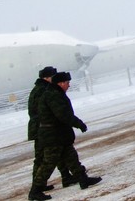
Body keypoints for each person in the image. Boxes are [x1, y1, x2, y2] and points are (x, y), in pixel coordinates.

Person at [29, 72, 101, 200]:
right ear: (60, 83)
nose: (69, 85)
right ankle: (35, 191)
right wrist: (79, 124)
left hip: (58, 134)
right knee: (48, 163)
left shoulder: (54, 93)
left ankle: (83, 179)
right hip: (53, 136)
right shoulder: (53, 96)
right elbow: (63, 115)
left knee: (72, 158)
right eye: (67, 82)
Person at [28, 66, 75, 193]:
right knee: (42, 158)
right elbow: (43, 111)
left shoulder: (41, 89)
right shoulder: (42, 90)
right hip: (41, 128)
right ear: (47, 78)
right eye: (53, 77)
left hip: (43, 127)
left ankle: (66, 176)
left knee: (58, 152)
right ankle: (37, 186)